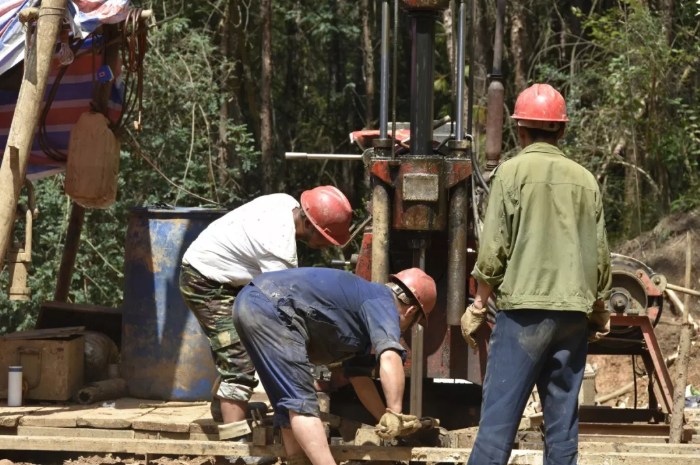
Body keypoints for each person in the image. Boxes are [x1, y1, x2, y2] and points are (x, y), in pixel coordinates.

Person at [460, 83, 612, 465]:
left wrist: (478, 305)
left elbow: (494, 247)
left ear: (520, 129)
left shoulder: (510, 173)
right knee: (562, 429)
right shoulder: (585, 180)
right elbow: (599, 253)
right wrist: (599, 308)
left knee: (497, 426)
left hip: (523, 317)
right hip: (572, 316)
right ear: (562, 129)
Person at [179, 186, 352, 433]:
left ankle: (222, 407)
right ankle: (235, 443)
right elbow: (285, 307)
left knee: (241, 346)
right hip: (205, 281)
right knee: (239, 361)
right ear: (309, 224)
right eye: (326, 238)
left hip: (227, 277)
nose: (326, 246)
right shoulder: (278, 249)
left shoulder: (286, 202)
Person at [232, 267, 437, 465]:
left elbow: (360, 379)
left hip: (249, 302)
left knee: (287, 404)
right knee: (301, 403)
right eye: (414, 322)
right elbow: (390, 356)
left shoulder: (362, 312)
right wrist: (395, 413)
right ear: (411, 310)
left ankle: (297, 461)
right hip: (272, 306)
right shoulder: (384, 303)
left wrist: (386, 420)